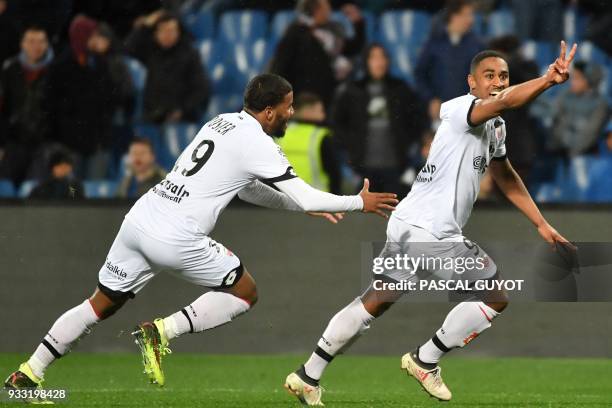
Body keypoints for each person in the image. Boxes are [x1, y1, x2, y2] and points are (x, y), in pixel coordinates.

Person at [3, 74, 398, 401]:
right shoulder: (257, 141)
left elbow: (245, 189)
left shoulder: (220, 122)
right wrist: (357, 202)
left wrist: (299, 205)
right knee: (245, 293)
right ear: (268, 110)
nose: (291, 114)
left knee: (99, 303)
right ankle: (162, 332)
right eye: (288, 107)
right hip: (176, 234)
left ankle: (29, 371)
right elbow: (307, 193)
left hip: (141, 218)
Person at [284, 42, 577, 405]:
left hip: (407, 225)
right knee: (494, 294)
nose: (498, 82)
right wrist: (548, 79)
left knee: (376, 299)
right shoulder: (458, 109)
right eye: (489, 76)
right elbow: (503, 102)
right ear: (472, 83)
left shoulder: (496, 128)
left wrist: (540, 224)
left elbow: (505, 177)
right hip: (430, 231)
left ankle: (307, 374)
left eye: (503, 76)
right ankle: (426, 359)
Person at [332, 43, 428, 195]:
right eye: (374, 58)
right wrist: (351, 146)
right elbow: (338, 123)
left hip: (395, 166)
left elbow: (417, 119)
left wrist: (406, 142)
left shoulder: (400, 89)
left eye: (382, 57)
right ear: (366, 61)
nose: (379, 62)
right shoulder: (353, 90)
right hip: (362, 167)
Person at [45, 15, 117, 179]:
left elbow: (112, 97)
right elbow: (51, 105)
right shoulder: (60, 67)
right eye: (93, 35)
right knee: (72, 192)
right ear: (82, 37)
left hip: (98, 141)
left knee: (95, 193)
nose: (96, 40)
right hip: (69, 143)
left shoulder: (101, 63)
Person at [269, 0, 366, 109]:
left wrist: (358, 23)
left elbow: (352, 48)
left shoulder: (330, 32)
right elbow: (281, 65)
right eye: (326, 7)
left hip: (327, 96)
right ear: (316, 10)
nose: (329, 11)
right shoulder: (295, 33)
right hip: (303, 97)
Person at [125, 12, 209, 124]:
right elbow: (128, 49)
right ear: (156, 34)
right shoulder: (151, 50)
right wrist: (144, 26)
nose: (168, 34)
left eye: (172, 30)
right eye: (164, 30)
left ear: (178, 32)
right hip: (152, 115)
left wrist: (182, 110)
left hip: (181, 118)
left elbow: (201, 88)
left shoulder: (189, 53)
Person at [415, 0, 484, 127]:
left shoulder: (477, 45)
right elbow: (420, 74)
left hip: (469, 113)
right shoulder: (434, 42)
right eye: (467, 15)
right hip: (441, 113)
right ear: (454, 16)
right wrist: (431, 99)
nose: (471, 20)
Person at [0, 25, 54, 185]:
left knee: (35, 190)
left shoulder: (55, 70)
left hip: (44, 143)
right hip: (14, 141)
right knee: (7, 188)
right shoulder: (9, 69)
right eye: (31, 41)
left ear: (47, 44)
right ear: (22, 44)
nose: (36, 46)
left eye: (41, 41)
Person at [276, 92, 340, 193]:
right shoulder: (321, 136)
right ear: (308, 112)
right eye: (320, 111)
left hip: (284, 199)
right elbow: (334, 173)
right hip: (318, 200)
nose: (323, 115)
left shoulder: (280, 134)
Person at [549, 60, 609, 159]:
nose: (572, 82)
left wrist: (572, 154)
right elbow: (554, 120)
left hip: (585, 157)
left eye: (577, 78)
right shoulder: (566, 95)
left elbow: (589, 135)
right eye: (572, 78)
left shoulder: (601, 104)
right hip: (559, 152)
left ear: (589, 80)